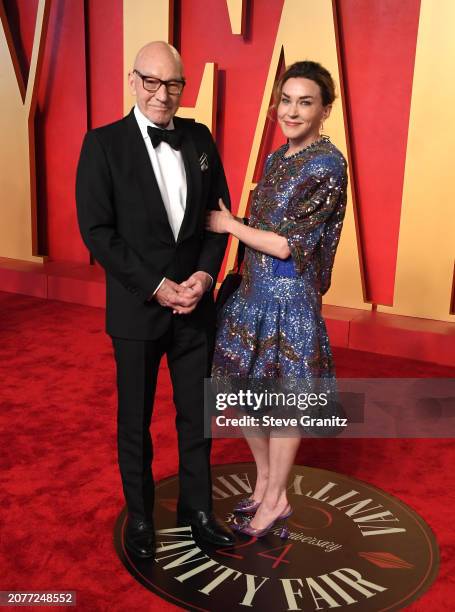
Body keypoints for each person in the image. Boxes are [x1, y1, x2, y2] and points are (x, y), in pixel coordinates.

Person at [76, 41, 235, 558]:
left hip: (195, 307)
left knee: (196, 417)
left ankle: (198, 511)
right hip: (137, 309)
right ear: (132, 80)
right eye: (152, 82)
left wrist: (206, 276)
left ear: (184, 87)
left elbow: (218, 219)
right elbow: (98, 232)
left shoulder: (200, 138)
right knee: (135, 421)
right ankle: (141, 518)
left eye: (173, 85)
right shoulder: (102, 145)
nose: (162, 95)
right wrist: (156, 285)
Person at [208, 61, 348, 537]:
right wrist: (242, 222)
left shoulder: (329, 165)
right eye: (286, 100)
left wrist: (230, 225)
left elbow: (289, 244)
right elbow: (266, 226)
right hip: (252, 290)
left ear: (324, 110)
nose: (291, 110)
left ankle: (275, 498)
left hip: (290, 297)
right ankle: (267, 481)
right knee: (244, 393)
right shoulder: (275, 158)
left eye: (304, 102)